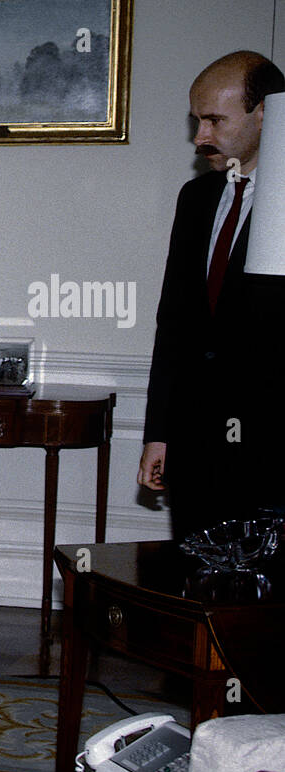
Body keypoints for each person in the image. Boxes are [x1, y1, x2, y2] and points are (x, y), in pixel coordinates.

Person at [138, 51, 285, 540]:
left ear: (265, 113)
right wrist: (159, 434)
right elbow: (174, 323)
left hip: (271, 449)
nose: (200, 137)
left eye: (214, 120)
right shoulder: (196, 198)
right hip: (195, 444)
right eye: (196, 120)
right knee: (195, 587)